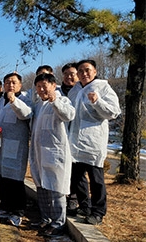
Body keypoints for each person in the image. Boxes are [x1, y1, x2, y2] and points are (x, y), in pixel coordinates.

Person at [67, 59, 121, 225]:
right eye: (80, 71)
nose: (84, 74)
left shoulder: (103, 87)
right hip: (75, 141)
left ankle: (98, 211)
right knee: (76, 177)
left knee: (96, 179)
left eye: (87, 70)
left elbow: (114, 112)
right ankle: (85, 206)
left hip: (93, 141)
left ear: (95, 71)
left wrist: (98, 101)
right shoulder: (74, 90)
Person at [29, 73, 75, 237]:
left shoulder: (62, 100)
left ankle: (58, 223)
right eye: (38, 88)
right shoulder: (40, 105)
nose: (41, 90)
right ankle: (46, 218)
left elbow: (69, 115)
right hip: (40, 153)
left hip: (55, 155)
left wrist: (54, 99)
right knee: (42, 188)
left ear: (53, 85)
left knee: (56, 190)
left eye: (44, 86)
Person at [0, 72, 32, 227]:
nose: (10, 85)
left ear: (20, 85)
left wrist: (14, 100)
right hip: (3, 145)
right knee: (4, 178)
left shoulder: (24, 99)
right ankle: (6, 208)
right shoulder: (1, 101)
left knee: (16, 180)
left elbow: (26, 114)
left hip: (17, 146)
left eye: (13, 82)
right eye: (7, 82)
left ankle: (17, 212)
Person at [59, 62, 80, 214]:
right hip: (60, 137)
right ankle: (63, 198)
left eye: (72, 74)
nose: (69, 77)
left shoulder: (82, 91)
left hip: (77, 136)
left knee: (76, 171)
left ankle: (74, 199)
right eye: (66, 74)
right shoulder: (58, 91)